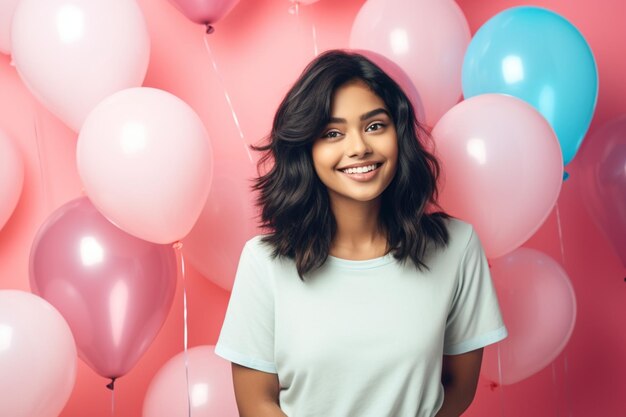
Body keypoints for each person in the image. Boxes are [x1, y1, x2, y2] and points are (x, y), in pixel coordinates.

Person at [215, 50, 508, 417]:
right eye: (332, 133)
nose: (358, 148)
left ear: (398, 133)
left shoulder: (456, 247)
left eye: (374, 126)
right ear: (306, 148)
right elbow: (256, 403)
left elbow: (459, 388)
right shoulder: (264, 262)